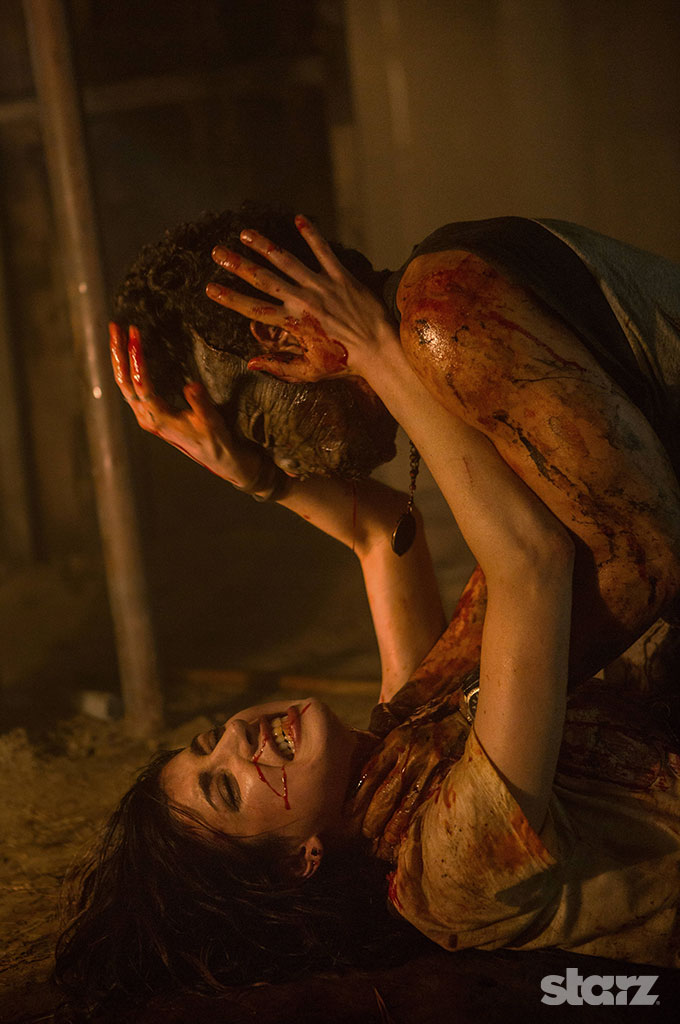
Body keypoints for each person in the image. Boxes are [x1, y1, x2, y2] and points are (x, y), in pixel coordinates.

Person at [55, 214, 680, 1015]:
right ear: (300, 863)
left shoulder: (404, 736)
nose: (239, 740)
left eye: (209, 741)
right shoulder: (444, 870)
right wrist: (375, 350)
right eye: (227, 789)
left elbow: (382, 536)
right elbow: (532, 565)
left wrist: (255, 475)